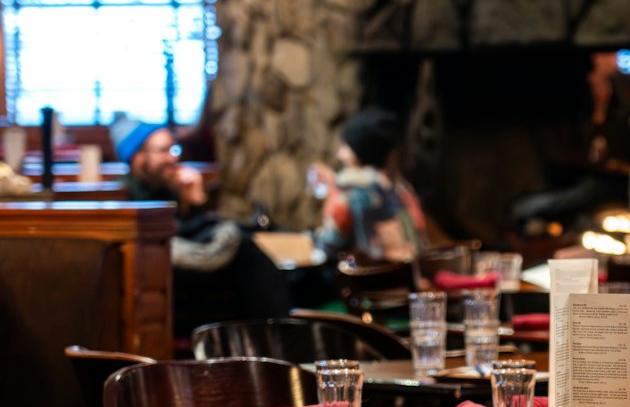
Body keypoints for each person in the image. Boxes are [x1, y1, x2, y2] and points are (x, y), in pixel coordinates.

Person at [111, 116, 291, 337]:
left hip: (183, 269)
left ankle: (273, 336)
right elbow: (177, 237)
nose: (171, 158)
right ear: (138, 158)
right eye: (162, 151)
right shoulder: (127, 193)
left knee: (250, 256)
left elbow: (190, 231)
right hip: (163, 272)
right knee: (249, 259)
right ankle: (279, 337)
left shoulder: (167, 188)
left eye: (172, 149)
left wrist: (196, 201)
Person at [311, 106, 427, 262]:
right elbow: (419, 241)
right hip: (408, 281)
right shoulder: (403, 190)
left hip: (369, 283)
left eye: (346, 146)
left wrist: (333, 192)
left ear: (358, 153)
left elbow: (327, 248)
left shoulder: (347, 195)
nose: (340, 154)